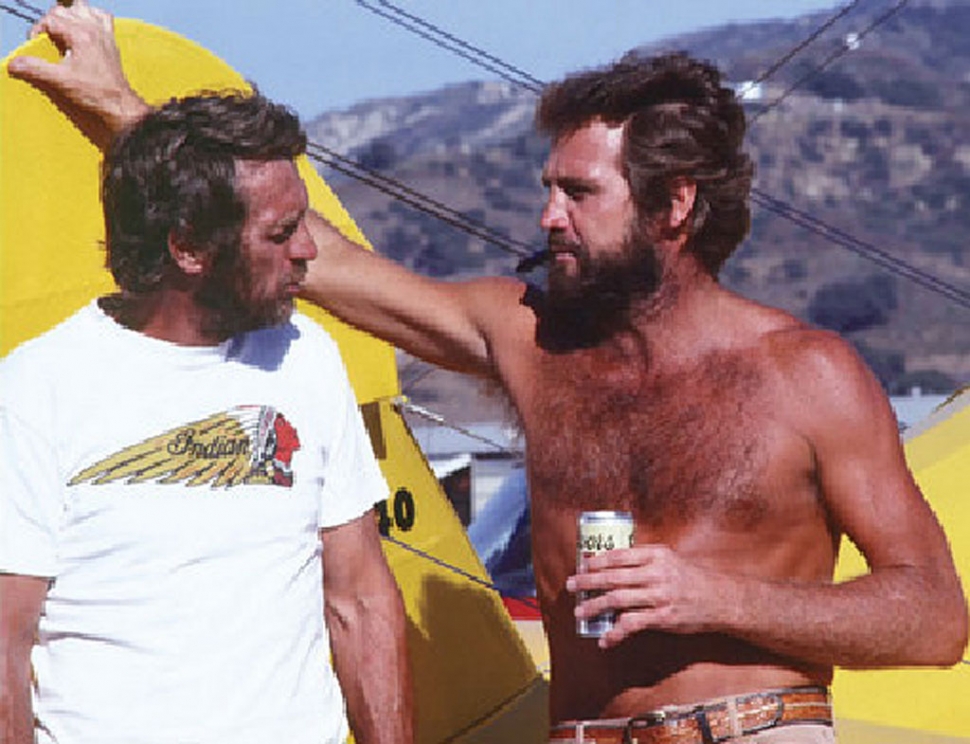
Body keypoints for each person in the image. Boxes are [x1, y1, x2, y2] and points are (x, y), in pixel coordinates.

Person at [8, 3, 968, 743]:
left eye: (579, 194)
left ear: (675, 207)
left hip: (753, 727)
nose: (547, 216)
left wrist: (714, 597)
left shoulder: (807, 374)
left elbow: (932, 620)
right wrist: (128, 113)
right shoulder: (529, 337)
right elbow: (318, 258)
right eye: (547, 187)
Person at [0, 85, 413, 743]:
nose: (308, 250)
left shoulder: (306, 357)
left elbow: (361, 600)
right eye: (281, 232)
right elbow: (4, 640)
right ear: (189, 247)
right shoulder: (38, 386)